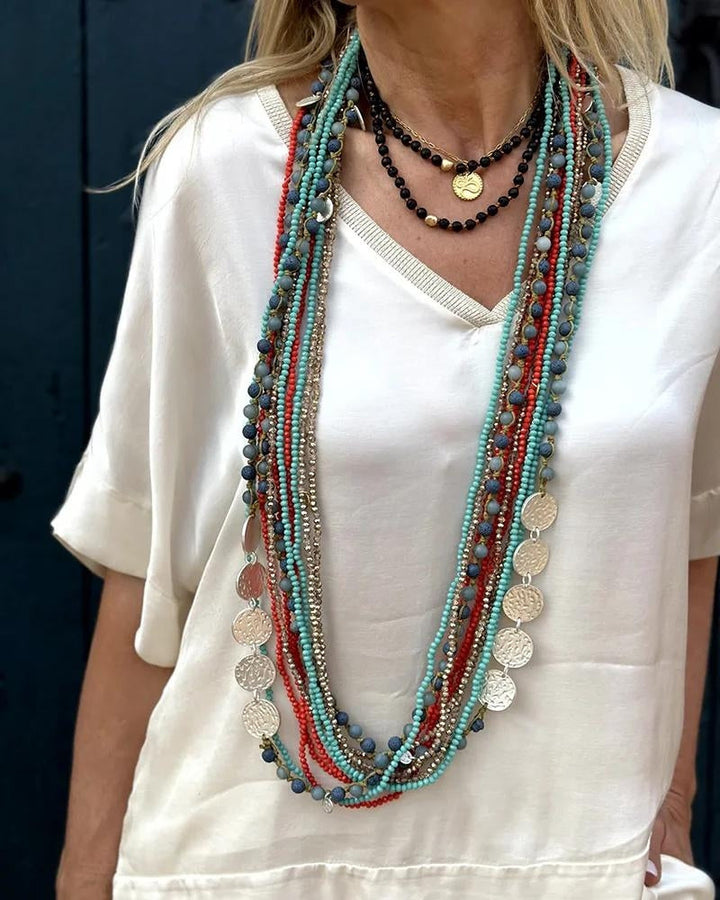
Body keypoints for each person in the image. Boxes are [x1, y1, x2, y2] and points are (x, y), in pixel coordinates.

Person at [52, 1, 720, 898]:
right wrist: (85, 879)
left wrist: (669, 805)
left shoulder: (696, 179)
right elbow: (148, 570)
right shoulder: (223, 168)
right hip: (247, 870)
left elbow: (692, 528)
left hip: (574, 866)